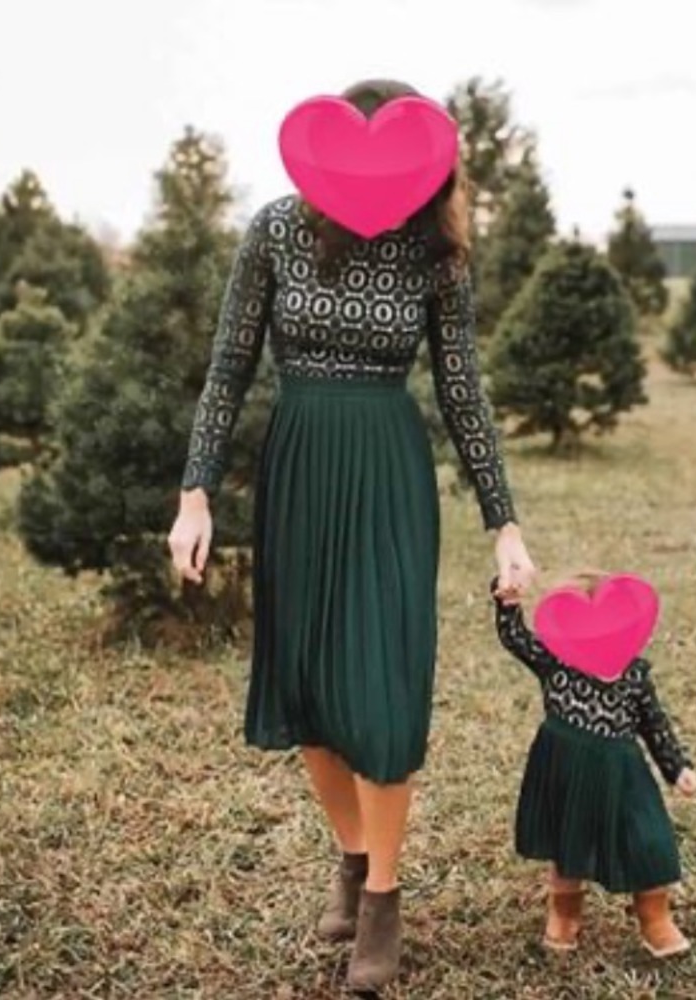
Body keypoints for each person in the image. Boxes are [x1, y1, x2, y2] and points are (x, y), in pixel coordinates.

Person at [168, 79, 536, 992]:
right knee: (309, 689)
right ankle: (349, 852)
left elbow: (462, 390)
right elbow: (228, 366)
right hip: (299, 467)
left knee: (381, 691)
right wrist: (196, 493)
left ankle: (383, 897)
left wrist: (505, 524)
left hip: (387, 473)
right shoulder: (276, 231)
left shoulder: (435, 254)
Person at [490, 572, 696, 958]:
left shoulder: (635, 675)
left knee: (648, 841)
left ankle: (655, 917)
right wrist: (507, 603)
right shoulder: (555, 662)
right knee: (569, 844)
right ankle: (564, 912)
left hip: (624, 772)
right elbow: (516, 639)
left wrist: (676, 767)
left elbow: (654, 724)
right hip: (567, 769)